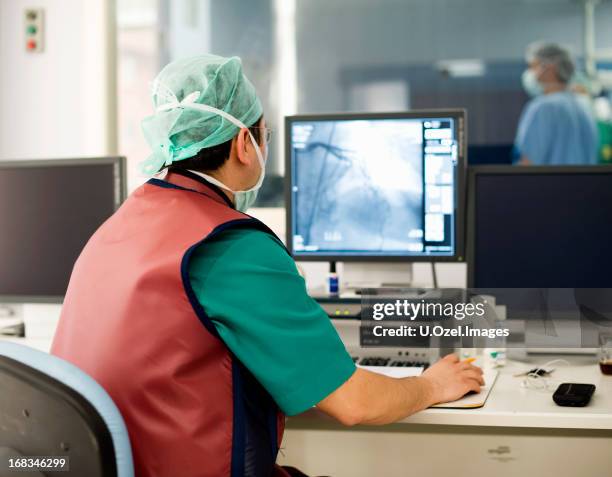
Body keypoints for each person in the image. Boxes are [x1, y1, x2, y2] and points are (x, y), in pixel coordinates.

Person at [51, 54, 483, 477]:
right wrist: (432, 385)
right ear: (244, 144)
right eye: (264, 135)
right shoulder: (230, 244)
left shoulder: (122, 222)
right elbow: (355, 404)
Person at [514, 42, 598, 165]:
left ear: (549, 68)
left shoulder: (543, 108)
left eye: (533, 66)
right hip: (588, 184)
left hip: (552, 184)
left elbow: (528, 163)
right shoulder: (584, 104)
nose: (530, 72)